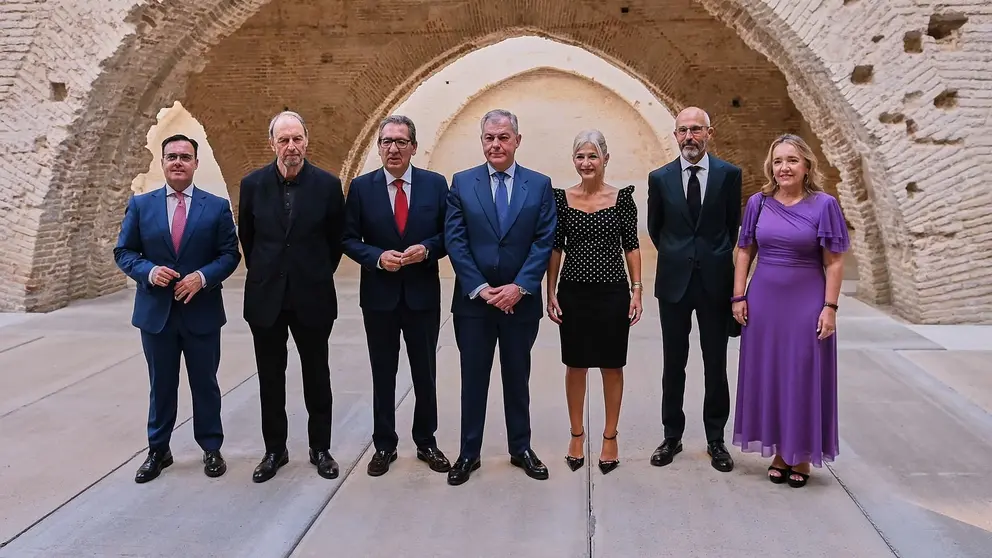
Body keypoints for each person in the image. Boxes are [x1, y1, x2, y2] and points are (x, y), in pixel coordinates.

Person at [113, 134, 242, 483]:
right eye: (171, 156)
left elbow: (230, 255)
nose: (178, 162)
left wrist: (202, 277)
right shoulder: (142, 205)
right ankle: (159, 450)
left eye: (185, 156)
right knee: (162, 384)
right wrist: (149, 271)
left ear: (196, 163)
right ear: (163, 162)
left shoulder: (215, 207)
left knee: (205, 384)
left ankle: (211, 447)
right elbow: (124, 252)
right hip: (156, 315)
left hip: (201, 313)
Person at [443, 108, 557, 486]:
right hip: (474, 305)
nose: (496, 144)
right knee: (473, 378)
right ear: (482, 142)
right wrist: (480, 288)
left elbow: (544, 241)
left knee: (517, 377)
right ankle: (468, 452)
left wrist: (520, 287)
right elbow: (456, 241)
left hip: (519, 304)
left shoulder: (539, 185)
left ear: (517, 141)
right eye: (489, 137)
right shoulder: (462, 182)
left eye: (503, 137)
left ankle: (520, 447)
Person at [731, 134, 848, 488]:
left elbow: (835, 261)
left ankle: (803, 454)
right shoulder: (758, 203)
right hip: (764, 301)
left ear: (807, 166)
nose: (784, 167)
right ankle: (781, 451)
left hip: (806, 301)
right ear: (771, 167)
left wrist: (830, 307)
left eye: (792, 160)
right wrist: (739, 295)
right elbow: (744, 250)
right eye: (778, 161)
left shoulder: (824, 204)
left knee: (803, 373)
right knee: (772, 374)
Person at [238, 111, 346, 483]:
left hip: (311, 295)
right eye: (283, 140)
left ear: (307, 140)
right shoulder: (251, 185)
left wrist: (310, 273)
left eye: (297, 139)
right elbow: (248, 240)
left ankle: (321, 448)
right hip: (266, 297)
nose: (291, 147)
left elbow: (335, 244)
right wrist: (271, 272)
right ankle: (275, 449)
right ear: (272, 144)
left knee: (317, 375)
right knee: (271, 377)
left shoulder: (328, 186)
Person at [342, 115, 452, 477]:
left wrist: (427, 249)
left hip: (422, 295)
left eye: (401, 142)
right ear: (378, 148)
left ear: (414, 148)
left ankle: (426, 441)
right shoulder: (361, 188)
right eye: (387, 141)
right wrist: (376, 257)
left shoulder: (436, 186)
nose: (393, 148)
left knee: (425, 373)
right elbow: (348, 238)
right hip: (379, 297)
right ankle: (384, 445)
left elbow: (448, 235)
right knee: (383, 372)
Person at [646, 106, 742, 473]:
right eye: (683, 130)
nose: (689, 136)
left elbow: (732, 227)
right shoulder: (660, 178)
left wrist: (713, 256)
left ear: (709, 133)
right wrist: (678, 253)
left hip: (715, 282)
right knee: (674, 362)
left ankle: (715, 439)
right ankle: (672, 435)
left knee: (715, 363)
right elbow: (657, 229)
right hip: (674, 282)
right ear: (675, 135)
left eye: (696, 130)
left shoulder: (729, 175)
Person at [546, 129, 642, 475]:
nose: (586, 162)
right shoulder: (561, 198)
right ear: (574, 161)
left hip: (612, 292)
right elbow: (555, 247)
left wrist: (637, 290)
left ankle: (610, 436)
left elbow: (631, 246)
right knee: (576, 363)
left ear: (605, 159)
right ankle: (576, 434)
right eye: (580, 156)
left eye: (592, 156)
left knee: (612, 364)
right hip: (573, 291)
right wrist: (551, 290)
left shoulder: (622, 198)